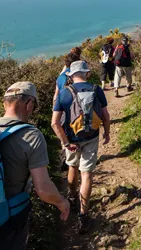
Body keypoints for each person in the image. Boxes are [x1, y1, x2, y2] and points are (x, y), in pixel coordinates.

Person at [0, 81, 70, 249]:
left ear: (5, 103)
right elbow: (43, 189)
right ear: (29, 104)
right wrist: (62, 202)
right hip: (9, 216)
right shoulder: (31, 135)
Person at [51, 61, 111, 233]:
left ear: (71, 75)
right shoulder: (96, 89)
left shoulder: (64, 93)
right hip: (91, 137)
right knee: (87, 174)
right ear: (87, 73)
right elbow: (106, 116)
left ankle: (71, 197)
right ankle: (84, 216)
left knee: (72, 167)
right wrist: (107, 133)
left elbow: (55, 123)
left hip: (72, 139)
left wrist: (65, 142)